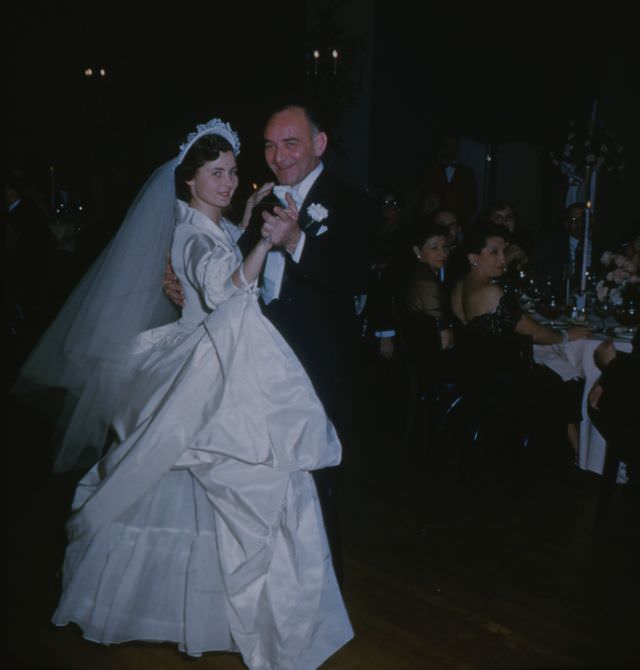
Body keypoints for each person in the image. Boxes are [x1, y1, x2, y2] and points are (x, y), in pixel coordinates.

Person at [31, 119, 353, 667]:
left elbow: (219, 257)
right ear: (188, 181)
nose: (228, 182)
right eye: (215, 173)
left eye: (232, 171)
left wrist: (249, 223)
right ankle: (231, 611)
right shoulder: (193, 233)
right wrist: (263, 245)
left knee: (212, 486)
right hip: (210, 364)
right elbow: (224, 290)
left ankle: (216, 611)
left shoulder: (210, 225)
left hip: (224, 358)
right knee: (236, 477)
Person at [165, 104, 374, 586]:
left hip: (318, 359)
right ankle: (272, 585)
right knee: (263, 480)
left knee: (315, 475)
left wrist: (299, 239)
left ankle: (320, 591)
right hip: (255, 359)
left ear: (319, 145)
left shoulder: (353, 201)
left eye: (291, 143)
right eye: (269, 145)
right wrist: (184, 286)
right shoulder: (260, 201)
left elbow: (355, 277)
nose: (278, 156)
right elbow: (228, 271)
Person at [450, 223, 590, 461]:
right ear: (474, 258)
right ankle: (575, 452)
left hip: (477, 375)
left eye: (504, 251)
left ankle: (576, 448)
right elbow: (534, 333)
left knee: (555, 366)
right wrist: (567, 336)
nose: (503, 258)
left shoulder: (459, 285)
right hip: (504, 383)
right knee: (569, 377)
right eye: (494, 252)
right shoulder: (491, 291)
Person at [422, 136, 477, 230]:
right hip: (434, 225)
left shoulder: (466, 173)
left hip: (460, 225)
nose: (451, 151)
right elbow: (425, 200)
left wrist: (458, 223)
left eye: (454, 147)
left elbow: (472, 202)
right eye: (447, 147)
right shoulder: (430, 171)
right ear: (441, 149)